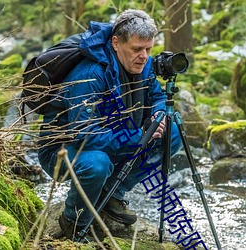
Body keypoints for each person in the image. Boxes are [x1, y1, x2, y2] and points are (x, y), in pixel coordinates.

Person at [38, 9, 182, 241]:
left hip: (118, 137)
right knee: (97, 164)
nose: (144, 56)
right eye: (137, 49)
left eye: (149, 49)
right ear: (116, 43)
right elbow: (83, 134)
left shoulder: (142, 64)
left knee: (172, 132)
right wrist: (138, 137)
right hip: (64, 150)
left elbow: (156, 96)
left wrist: (158, 114)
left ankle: (112, 194)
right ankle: (73, 221)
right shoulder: (89, 74)